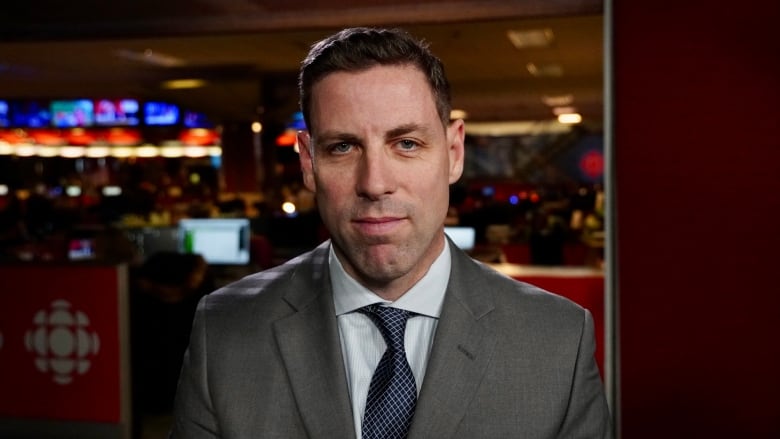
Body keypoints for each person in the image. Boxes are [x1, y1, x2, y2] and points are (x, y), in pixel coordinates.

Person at [170, 27, 612, 438]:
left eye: (406, 144)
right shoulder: (224, 331)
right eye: (342, 147)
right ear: (308, 162)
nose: (374, 182)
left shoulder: (557, 340)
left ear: (453, 152)